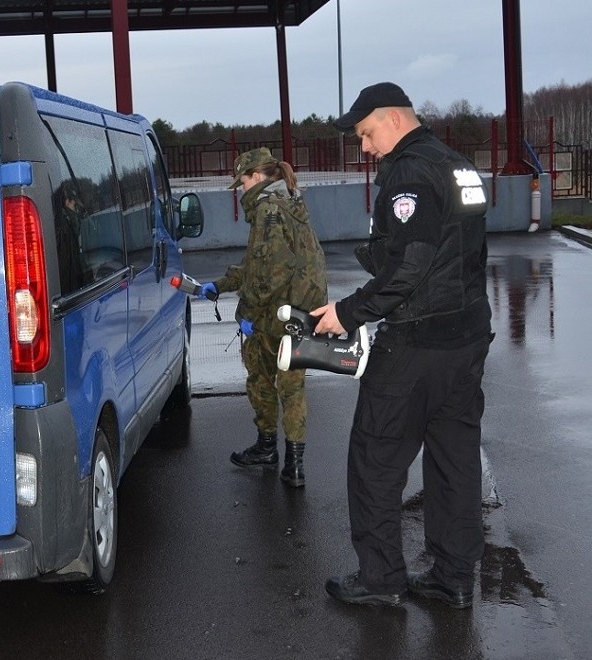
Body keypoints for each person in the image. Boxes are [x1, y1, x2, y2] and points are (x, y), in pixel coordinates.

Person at [312, 82, 492, 608]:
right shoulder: (456, 163)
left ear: (392, 119)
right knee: (454, 460)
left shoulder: (410, 173)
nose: (364, 148)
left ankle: (380, 579)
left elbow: (409, 269)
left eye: (366, 134)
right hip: (466, 338)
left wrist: (346, 313)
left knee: (375, 456)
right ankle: (454, 578)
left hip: (416, 342)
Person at [198, 148, 327, 488]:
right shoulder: (290, 202)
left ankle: (269, 449)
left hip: (278, 317)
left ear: (256, 176)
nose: (240, 189)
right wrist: (223, 284)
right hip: (300, 313)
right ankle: (294, 465)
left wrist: (248, 314)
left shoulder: (267, 210)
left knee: (261, 379)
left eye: (241, 182)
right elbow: (261, 264)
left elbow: (270, 274)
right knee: (293, 387)